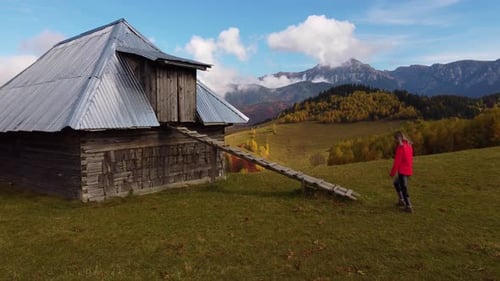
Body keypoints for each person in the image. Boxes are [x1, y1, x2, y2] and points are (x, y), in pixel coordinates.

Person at [390, 131, 414, 213]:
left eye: (396, 139)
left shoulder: (401, 147)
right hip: (408, 169)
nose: (395, 141)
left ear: (398, 138)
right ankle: (401, 200)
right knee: (396, 183)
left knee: (404, 188)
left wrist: (392, 172)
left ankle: (408, 206)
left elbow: (397, 161)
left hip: (403, 171)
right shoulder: (409, 145)